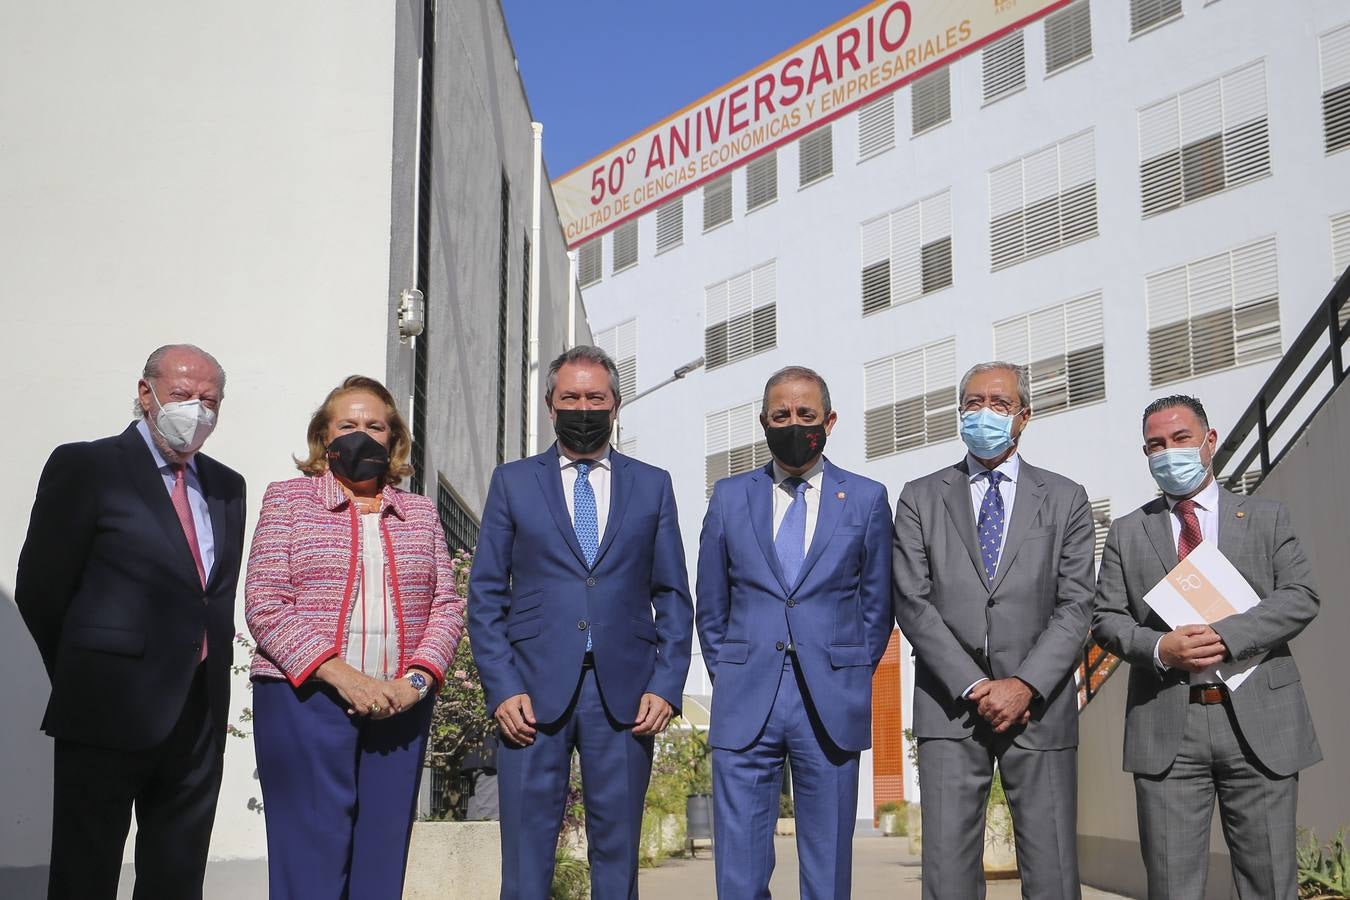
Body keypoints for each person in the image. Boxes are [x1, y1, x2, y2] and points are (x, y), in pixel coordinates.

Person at [15, 344, 246, 900]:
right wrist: (87, 670)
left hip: (196, 713)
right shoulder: (87, 465)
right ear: (146, 393)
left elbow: (210, 596)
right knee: (85, 871)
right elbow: (41, 590)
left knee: (177, 875)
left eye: (210, 401)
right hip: (105, 708)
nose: (197, 410)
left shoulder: (226, 486)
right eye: (183, 395)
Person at [468, 345, 693, 900]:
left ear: (616, 405)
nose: (583, 407)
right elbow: (487, 593)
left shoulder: (652, 485)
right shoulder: (513, 482)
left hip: (624, 697)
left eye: (596, 397)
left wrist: (666, 685)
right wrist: (502, 687)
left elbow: (673, 595)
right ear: (550, 405)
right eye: (571, 397)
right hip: (530, 696)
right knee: (525, 860)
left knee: (617, 862)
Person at [245, 375, 465, 900]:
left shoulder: (421, 512)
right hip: (305, 698)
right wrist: (343, 675)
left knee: (381, 855)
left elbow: (447, 607)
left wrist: (415, 681)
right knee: (311, 855)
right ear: (324, 437)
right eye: (347, 425)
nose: (361, 435)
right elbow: (265, 601)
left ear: (394, 439)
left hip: (400, 703)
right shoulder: (288, 501)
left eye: (375, 426)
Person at [1092, 395, 1320, 900]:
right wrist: (1159, 648)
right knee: (1173, 886)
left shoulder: (1265, 516)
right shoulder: (1128, 532)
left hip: (1260, 722)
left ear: (1209, 441)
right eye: (1155, 445)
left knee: (1269, 883)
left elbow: (1301, 596)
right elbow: (1105, 619)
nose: (1167, 452)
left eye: (1180, 439)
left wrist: (1229, 635)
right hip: (1169, 724)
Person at [892, 361, 1095, 900]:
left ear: (1024, 417)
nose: (984, 413)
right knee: (947, 874)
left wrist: (1024, 684)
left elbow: (1077, 605)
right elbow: (912, 602)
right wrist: (976, 685)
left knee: (1052, 870)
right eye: (973, 403)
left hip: (1041, 707)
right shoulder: (919, 496)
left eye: (999, 404)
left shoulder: (1066, 497)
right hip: (950, 706)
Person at [697, 365, 893, 899]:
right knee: (738, 871)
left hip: (829, 702)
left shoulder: (868, 499)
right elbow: (711, 604)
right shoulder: (729, 496)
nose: (793, 423)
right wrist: (730, 671)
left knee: (828, 872)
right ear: (763, 422)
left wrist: (848, 674)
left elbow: (877, 607)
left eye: (805, 414)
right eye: (780, 414)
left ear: (829, 421)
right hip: (745, 699)